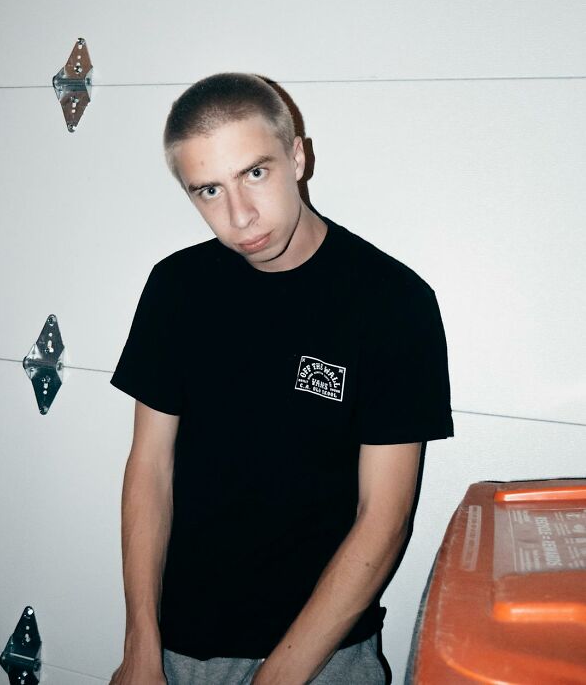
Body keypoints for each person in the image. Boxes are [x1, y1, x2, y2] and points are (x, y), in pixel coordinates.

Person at [109, 73, 453, 685]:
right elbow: (149, 469)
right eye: (208, 190)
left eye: (255, 173)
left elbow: (384, 517)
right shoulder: (176, 289)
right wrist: (140, 645)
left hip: (324, 656)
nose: (239, 216)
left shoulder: (392, 302)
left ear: (297, 156)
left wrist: (280, 677)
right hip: (177, 652)